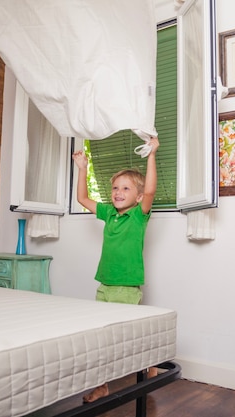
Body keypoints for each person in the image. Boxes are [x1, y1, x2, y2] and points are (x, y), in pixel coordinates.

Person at [71, 136, 160, 403]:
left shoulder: (138, 215)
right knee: (101, 339)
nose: (118, 193)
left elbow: (152, 190)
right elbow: (82, 198)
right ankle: (101, 386)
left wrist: (152, 155)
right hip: (105, 285)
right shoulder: (109, 213)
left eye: (126, 188)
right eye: (115, 188)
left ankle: (149, 360)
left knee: (125, 335)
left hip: (126, 287)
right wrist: (83, 168)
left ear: (139, 196)